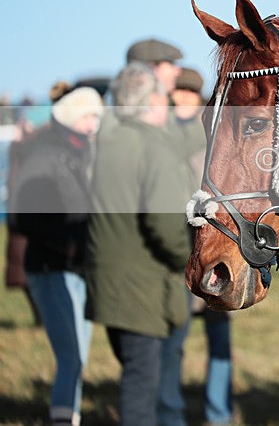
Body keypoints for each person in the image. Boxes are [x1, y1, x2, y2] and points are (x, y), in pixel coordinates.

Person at [85, 62, 195, 426]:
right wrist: (190, 257)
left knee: (133, 371)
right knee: (141, 386)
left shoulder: (105, 141)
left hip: (107, 279)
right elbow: (164, 228)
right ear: (151, 102)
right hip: (143, 286)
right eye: (163, 97)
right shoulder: (154, 150)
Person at [8, 86, 104, 426]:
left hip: (77, 269)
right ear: (72, 118)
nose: (95, 123)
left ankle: (68, 415)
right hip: (51, 270)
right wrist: (66, 244)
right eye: (89, 116)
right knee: (71, 357)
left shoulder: (79, 154)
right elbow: (21, 216)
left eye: (97, 116)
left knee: (77, 358)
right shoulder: (44, 155)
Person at [125, 39, 195, 426]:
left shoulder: (157, 117)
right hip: (154, 262)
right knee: (151, 364)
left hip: (165, 261)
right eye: (169, 64)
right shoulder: (139, 124)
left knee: (165, 357)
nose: (174, 72)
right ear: (150, 69)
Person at [173, 66, 235, 426]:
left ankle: (218, 412)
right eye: (177, 93)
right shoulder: (166, 135)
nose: (180, 100)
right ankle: (174, 409)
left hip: (211, 249)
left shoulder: (211, 136)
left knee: (218, 338)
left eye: (187, 93)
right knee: (175, 338)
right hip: (178, 252)